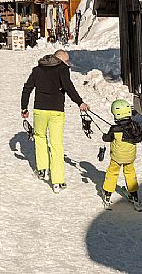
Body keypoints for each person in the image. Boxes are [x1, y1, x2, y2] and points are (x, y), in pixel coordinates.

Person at [20, 49, 90, 192]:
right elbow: (69, 88)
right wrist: (80, 103)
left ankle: (42, 170)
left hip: (40, 111)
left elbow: (27, 88)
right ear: (59, 59)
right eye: (66, 60)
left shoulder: (37, 69)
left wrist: (24, 108)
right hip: (56, 112)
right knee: (56, 145)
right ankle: (57, 181)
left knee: (39, 138)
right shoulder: (62, 70)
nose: (68, 63)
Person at [100, 99, 142, 209]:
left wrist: (104, 135)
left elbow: (107, 138)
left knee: (112, 173)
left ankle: (107, 195)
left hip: (116, 158)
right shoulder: (136, 126)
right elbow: (139, 138)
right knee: (130, 174)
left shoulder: (114, 129)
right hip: (130, 158)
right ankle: (135, 197)